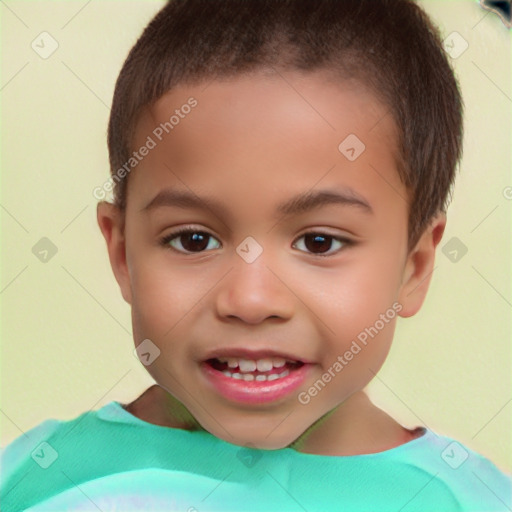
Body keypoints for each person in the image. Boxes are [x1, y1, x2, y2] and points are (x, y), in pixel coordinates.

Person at [1, 0, 510, 510]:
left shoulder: (466, 500)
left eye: (319, 242)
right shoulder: (38, 480)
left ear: (413, 268)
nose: (250, 299)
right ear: (122, 254)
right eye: (193, 240)